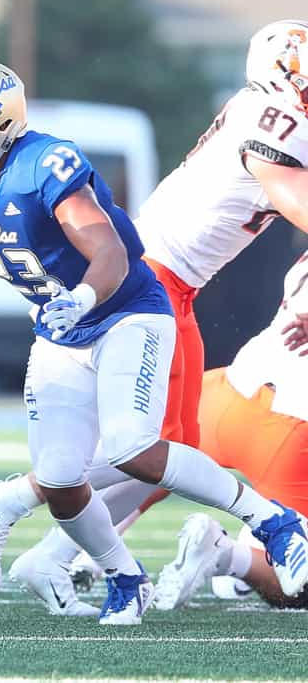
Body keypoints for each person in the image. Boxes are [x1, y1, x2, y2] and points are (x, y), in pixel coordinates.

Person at [0, 59, 308, 624]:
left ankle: (271, 522)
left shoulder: (44, 163)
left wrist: (84, 299)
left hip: (128, 300)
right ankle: (92, 562)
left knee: (146, 447)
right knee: (88, 468)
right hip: (78, 317)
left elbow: (110, 251)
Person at [152, 251, 308, 610]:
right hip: (289, 431)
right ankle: (227, 556)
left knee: (148, 454)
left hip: (230, 390)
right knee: (297, 589)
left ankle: (79, 551)